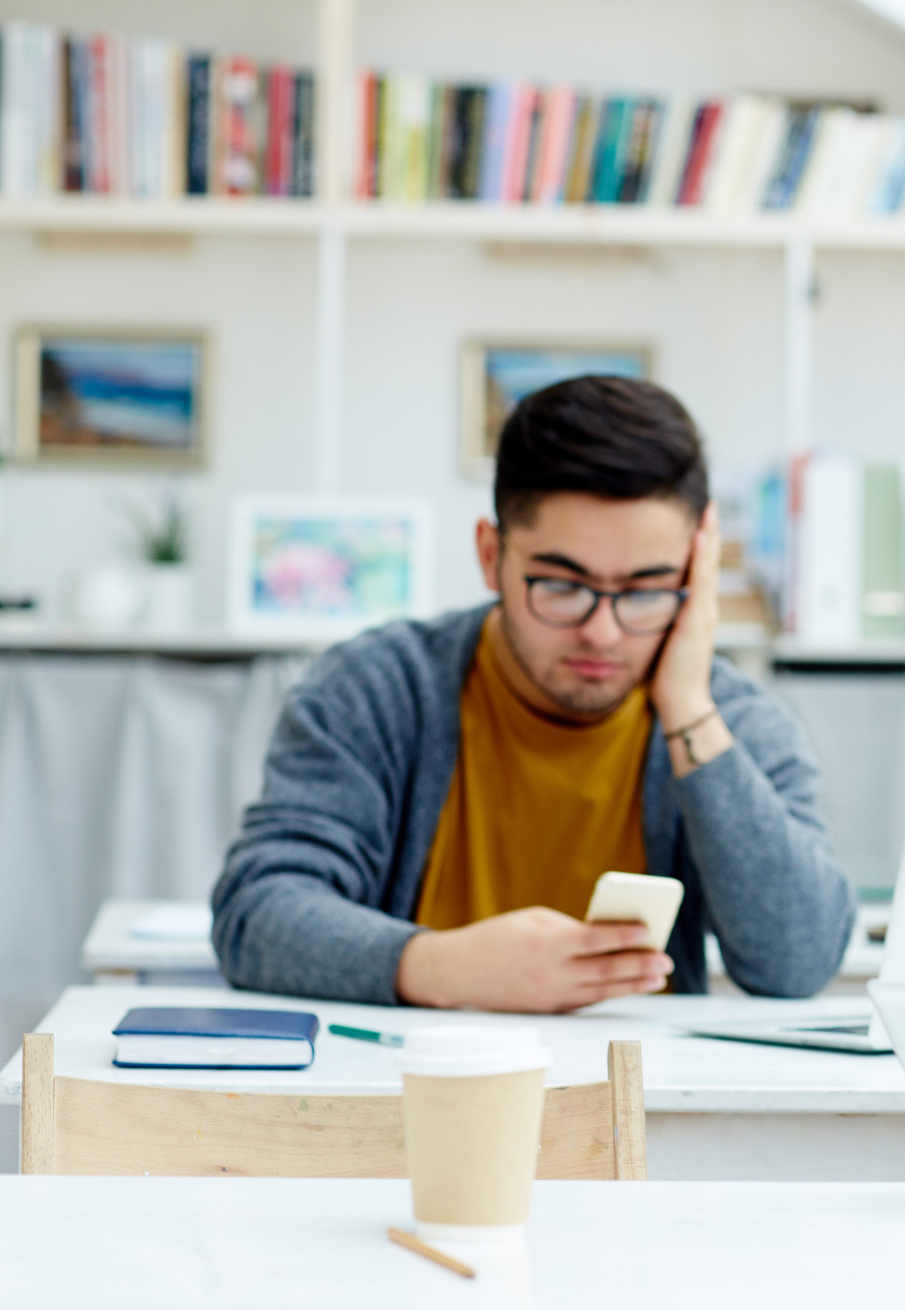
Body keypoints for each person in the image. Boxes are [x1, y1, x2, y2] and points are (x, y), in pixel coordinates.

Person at [212, 376, 855, 1012]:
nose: (602, 633)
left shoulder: (729, 720)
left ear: (697, 569)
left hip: (647, 1102)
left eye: (645, 590)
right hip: (411, 1092)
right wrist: (442, 967)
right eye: (562, 586)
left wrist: (688, 711)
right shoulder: (376, 689)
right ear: (491, 556)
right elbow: (258, 912)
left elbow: (799, 960)